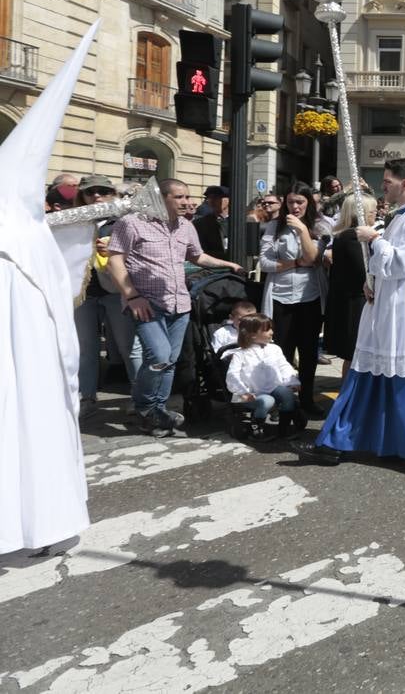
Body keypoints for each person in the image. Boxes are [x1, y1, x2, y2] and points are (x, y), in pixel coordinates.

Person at [1, 28, 97, 554]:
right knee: (33, 424)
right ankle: (41, 521)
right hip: (30, 362)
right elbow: (63, 289)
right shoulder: (30, 235)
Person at [294, 158, 405, 470]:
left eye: (389, 182)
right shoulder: (399, 218)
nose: (384, 187)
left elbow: (401, 264)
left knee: (390, 378)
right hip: (389, 309)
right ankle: (369, 441)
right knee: (369, 375)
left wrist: (376, 240)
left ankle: (364, 444)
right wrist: (374, 282)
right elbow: (386, 268)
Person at [108, 178, 243, 436]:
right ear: (161, 198)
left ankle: (155, 410)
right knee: (158, 357)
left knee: (169, 361)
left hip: (180, 302)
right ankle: (146, 408)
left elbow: (196, 256)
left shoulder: (186, 226)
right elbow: (115, 260)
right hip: (146, 303)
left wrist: (227, 264)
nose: (187, 202)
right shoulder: (132, 223)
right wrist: (132, 295)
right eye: (179, 197)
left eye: (187, 196)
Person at [259, 183, 328, 418]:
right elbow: (266, 263)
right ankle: (284, 401)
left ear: (308, 202)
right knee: (282, 351)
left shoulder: (318, 226)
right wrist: (294, 264)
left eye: (300, 202)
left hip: (310, 297)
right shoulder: (273, 227)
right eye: (291, 202)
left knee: (308, 352)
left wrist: (301, 231)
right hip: (280, 297)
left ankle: (307, 398)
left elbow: (314, 259)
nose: (295, 206)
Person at [72, 175, 137, 420]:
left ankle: (139, 396)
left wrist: (116, 251)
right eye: (90, 192)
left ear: (113, 193)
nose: (97, 196)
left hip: (117, 291)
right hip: (83, 293)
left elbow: (141, 253)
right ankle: (87, 397)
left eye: (103, 191)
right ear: (83, 197)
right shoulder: (73, 222)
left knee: (129, 347)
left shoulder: (125, 220)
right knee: (86, 349)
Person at [323, 192, 378, 384]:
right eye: (372, 211)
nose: (375, 215)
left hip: (350, 303)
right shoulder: (353, 238)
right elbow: (365, 273)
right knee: (356, 355)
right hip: (355, 305)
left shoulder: (344, 235)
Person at [225, 313, 304, 441]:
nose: (272, 332)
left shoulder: (275, 349)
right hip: (251, 393)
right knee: (267, 400)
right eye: (267, 330)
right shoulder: (240, 354)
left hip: (272, 387)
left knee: (287, 394)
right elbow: (232, 374)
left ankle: (283, 429)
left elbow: (283, 365)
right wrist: (242, 392)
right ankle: (256, 430)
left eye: (271, 328)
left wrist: (292, 381)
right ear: (252, 334)